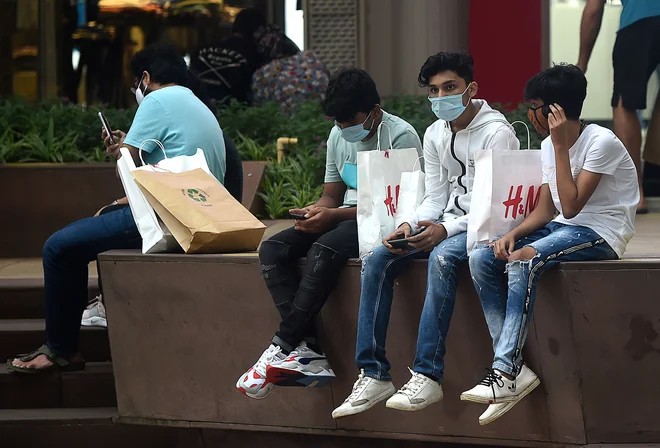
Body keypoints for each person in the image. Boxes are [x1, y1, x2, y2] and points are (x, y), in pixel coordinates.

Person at [8, 44, 227, 374]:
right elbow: (157, 161)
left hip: (172, 219)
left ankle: (60, 349)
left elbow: (128, 173)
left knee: (59, 248)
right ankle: (105, 304)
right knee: (107, 215)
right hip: (202, 213)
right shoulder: (194, 103)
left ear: (146, 77)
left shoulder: (157, 99)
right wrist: (126, 147)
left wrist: (121, 152)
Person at [331, 51, 520, 419]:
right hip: (445, 223)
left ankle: (427, 373)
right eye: (433, 91)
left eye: (449, 88)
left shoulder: (498, 133)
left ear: (471, 89)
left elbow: (490, 205)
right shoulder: (435, 132)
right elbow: (435, 194)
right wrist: (410, 224)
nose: (440, 97)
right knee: (378, 258)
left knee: (443, 256)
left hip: (484, 228)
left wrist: (444, 230)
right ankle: (373, 373)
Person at [464, 64, 638, 425]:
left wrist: (560, 147)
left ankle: (505, 372)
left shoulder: (600, 142)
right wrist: (513, 232)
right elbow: (549, 207)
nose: (530, 114)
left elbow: (573, 206)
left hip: (601, 231)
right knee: (483, 255)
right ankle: (512, 368)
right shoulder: (547, 145)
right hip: (564, 227)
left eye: (535, 105)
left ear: (554, 110)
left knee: (524, 260)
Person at [236, 68, 423, 400]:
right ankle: (308, 349)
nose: (343, 128)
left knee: (324, 248)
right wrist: (315, 211)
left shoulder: (400, 136)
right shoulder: (338, 136)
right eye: (337, 121)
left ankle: (284, 343)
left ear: (375, 111)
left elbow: (399, 206)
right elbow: (331, 195)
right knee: (274, 249)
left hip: (383, 222)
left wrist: (332, 216)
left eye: (350, 119)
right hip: (343, 215)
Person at [577, 0, 660, 213]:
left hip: (638, 23)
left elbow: (594, 8)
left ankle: (635, 193)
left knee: (625, 104)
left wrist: (582, 62)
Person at [190, 8, 267, 105]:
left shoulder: (201, 51)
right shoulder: (253, 56)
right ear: (258, 31)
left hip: (199, 109)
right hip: (232, 114)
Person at [250, 25, 329, 113]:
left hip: (284, 124)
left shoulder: (263, 74)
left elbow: (259, 108)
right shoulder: (312, 60)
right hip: (316, 120)